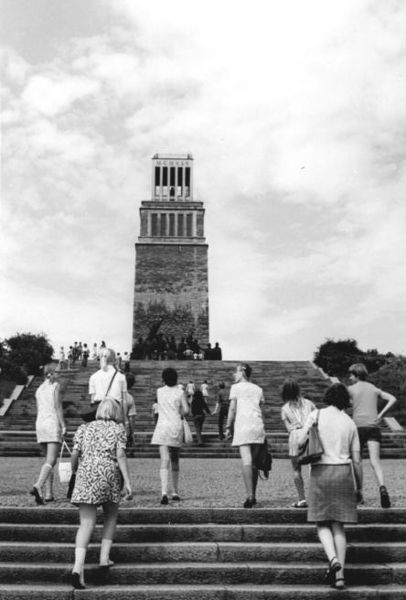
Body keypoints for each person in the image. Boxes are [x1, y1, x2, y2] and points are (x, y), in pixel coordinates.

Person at [297, 383, 361, 590]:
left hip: (321, 472)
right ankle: (340, 577)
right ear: (345, 400)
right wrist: (359, 488)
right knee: (338, 526)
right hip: (343, 473)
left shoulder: (316, 415)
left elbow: (299, 442)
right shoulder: (350, 422)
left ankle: (332, 558)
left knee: (322, 522)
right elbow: (357, 460)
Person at [70, 398, 132, 589]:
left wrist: (74, 472)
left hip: (86, 471)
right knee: (111, 515)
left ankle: (77, 568)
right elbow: (120, 455)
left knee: (86, 523)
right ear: (115, 412)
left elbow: (74, 454)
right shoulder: (118, 429)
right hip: (108, 472)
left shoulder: (83, 428)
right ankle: (104, 557)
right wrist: (128, 481)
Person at [347, 363, 397, 508]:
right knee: (375, 462)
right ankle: (382, 487)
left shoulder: (351, 389)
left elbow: (346, 403)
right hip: (374, 427)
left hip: (358, 427)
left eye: (351, 375)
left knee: (357, 461)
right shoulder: (373, 388)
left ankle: (359, 492)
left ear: (356, 375)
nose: (350, 378)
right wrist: (381, 415)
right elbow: (392, 399)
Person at [225, 363, 266, 508]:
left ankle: (249, 496)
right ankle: (253, 494)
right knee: (253, 462)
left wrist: (228, 426)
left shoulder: (235, 388)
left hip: (243, 425)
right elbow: (259, 407)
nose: (233, 375)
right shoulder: (258, 389)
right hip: (257, 425)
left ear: (242, 372)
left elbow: (232, 408)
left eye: (235, 372)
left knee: (246, 461)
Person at [150, 368, 189, 504]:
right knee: (175, 460)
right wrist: (180, 411)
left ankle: (163, 492)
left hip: (162, 426)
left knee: (164, 459)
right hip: (175, 426)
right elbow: (187, 410)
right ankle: (175, 491)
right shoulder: (180, 392)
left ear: (164, 379)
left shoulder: (159, 391)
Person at [30, 364, 66, 504]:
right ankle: (39, 485)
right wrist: (63, 425)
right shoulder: (55, 386)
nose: (60, 374)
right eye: (58, 372)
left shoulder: (39, 389)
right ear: (51, 373)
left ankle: (49, 493)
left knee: (47, 460)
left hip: (40, 424)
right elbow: (57, 406)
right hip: (51, 423)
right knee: (51, 460)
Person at [281, 378, 316, 508]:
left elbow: (288, 428)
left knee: (296, 469)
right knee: (315, 466)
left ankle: (302, 499)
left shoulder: (284, 409)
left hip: (295, 436)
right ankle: (315, 497)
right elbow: (317, 418)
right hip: (310, 434)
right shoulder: (309, 403)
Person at [88, 348, 127, 423]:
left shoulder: (94, 376)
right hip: (115, 410)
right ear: (115, 360)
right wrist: (125, 419)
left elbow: (92, 400)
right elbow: (124, 401)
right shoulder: (121, 377)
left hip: (98, 409)